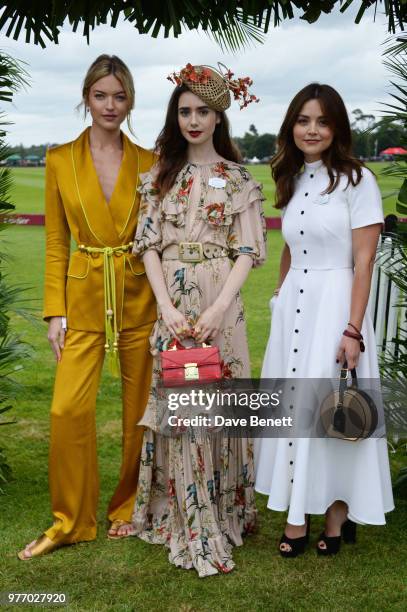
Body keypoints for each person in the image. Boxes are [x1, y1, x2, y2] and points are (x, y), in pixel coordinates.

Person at [18, 55, 156, 560]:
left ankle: (129, 508)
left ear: (131, 101)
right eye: (101, 95)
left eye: (120, 97)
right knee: (66, 408)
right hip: (81, 301)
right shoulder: (59, 159)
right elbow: (56, 242)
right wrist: (55, 311)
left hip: (141, 297)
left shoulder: (149, 161)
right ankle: (71, 521)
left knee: (140, 411)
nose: (111, 106)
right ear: (86, 97)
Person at [131, 63, 266, 577]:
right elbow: (147, 248)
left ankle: (225, 509)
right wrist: (166, 308)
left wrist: (215, 311)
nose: (193, 120)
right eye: (184, 111)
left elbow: (248, 252)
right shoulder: (157, 179)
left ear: (218, 117)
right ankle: (185, 513)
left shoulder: (238, 181)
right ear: (176, 116)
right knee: (185, 409)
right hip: (172, 305)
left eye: (202, 111)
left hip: (220, 308)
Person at [255, 83, 394, 557]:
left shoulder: (359, 181)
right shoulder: (292, 178)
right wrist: (279, 292)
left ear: (336, 129)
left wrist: (352, 329)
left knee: (333, 410)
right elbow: (291, 247)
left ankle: (336, 516)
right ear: (291, 126)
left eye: (321, 121)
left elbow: (364, 261)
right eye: (303, 120)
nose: (311, 130)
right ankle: (296, 512)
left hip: (336, 307)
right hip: (294, 307)